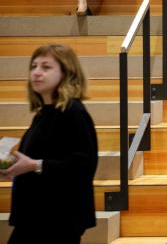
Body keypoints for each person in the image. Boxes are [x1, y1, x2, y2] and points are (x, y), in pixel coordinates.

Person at [1, 44, 98, 243]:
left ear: (66, 73)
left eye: (46, 67)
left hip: (57, 218)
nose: (36, 72)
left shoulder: (73, 112)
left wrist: (35, 165)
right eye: (34, 66)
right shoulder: (44, 113)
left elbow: (84, 165)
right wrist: (12, 164)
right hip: (35, 215)